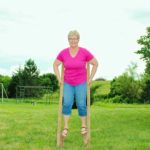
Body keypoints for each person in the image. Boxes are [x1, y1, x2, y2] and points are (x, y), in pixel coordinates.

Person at [53, 30, 98, 145]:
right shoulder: (63, 53)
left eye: (75, 38)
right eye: (71, 39)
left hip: (81, 82)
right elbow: (55, 64)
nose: (73, 41)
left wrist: (90, 78)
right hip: (68, 82)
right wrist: (59, 79)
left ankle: (83, 126)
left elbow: (95, 63)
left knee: (81, 104)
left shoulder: (84, 52)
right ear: (68, 40)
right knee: (67, 103)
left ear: (78, 39)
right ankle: (66, 127)